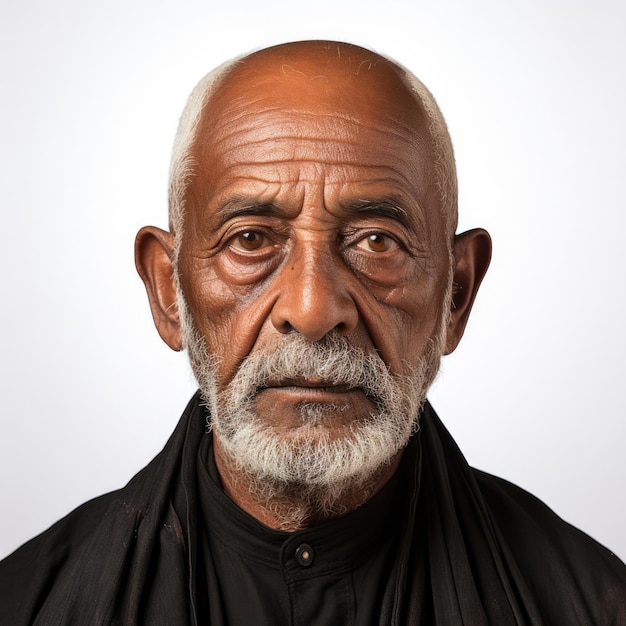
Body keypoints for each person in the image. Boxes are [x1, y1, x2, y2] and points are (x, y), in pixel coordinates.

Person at [0, 40, 624, 625]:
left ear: (455, 295)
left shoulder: (593, 606)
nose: (313, 307)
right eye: (250, 240)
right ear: (168, 291)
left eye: (377, 242)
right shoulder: (29, 604)